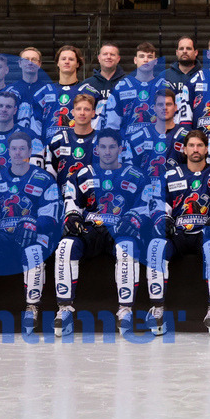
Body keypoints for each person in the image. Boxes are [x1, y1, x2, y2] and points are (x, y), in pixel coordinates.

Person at [54, 129, 154, 337]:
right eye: (103, 147)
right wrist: (72, 216)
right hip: (90, 229)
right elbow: (71, 200)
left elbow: (145, 204)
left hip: (119, 230)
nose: (107, 152)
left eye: (112, 147)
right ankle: (64, 310)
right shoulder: (82, 174)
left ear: (120, 148)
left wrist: (133, 218)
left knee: (128, 248)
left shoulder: (136, 175)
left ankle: (125, 311)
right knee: (65, 246)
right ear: (96, 149)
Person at [0, 131, 61, 335]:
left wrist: (33, 225)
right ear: (8, 151)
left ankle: (32, 307)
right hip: (3, 236)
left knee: (34, 252)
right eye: (14, 149)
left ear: (29, 151)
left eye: (22, 149)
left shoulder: (44, 178)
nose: (18, 153)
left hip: (32, 235)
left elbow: (51, 213)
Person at [145, 129, 210, 335]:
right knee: (155, 246)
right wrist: (164, 218)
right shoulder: (170, 175)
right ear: (184, 150)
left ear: (207, 149)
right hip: (178, 234)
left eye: (200, 145)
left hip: (206, 233)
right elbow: (160, 205)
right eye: (192, 146)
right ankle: (158, 309)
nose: (196, 150)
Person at [102, 42, 180, 131]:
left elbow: (176, 118)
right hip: (128, 142)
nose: (146, 60)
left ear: (155, 61)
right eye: (142, 56)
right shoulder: (122, 87)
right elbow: (112, 123)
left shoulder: (165, 86)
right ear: (135, 60)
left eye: (150, 57)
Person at [123, 88, 187, 182]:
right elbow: (130, 169)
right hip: (146, 191)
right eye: (160, 104)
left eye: (168, 104)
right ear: (154, 108)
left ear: (176, 107)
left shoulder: (186, 136)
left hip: (176, 191)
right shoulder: (140, 136)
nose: (164, 108)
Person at [32, 45, 84, 143]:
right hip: (49, 150)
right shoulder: (43, 92)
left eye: (71, 59)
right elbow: (35, 126)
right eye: (63, 59)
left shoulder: (88, 92)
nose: (67, 61)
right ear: (58, 63)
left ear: (77, 64)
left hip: (78, 149)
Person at [45, 92, 98, 189]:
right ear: (73, 112)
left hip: (92, 199)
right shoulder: (59, 139)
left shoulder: (101, 140)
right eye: (78, 109)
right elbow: (49, 173)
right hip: (63, 197)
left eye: (86, 109)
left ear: (93, 113)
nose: (82, 113)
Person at [3, 47, 47, 138]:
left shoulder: (48, 91)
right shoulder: (9, 91)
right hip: (14, 143)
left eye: (34, 59)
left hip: (40, 144)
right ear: (20, 63)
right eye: (26, 59)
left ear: (39, 64)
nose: (30, 62)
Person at [77, 43, 126, 112]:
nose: (108, 57)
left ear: (118, 59)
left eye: (112, 54)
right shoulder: (88, 84)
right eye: (105, 54)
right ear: (99, 58)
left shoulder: (127, 83)